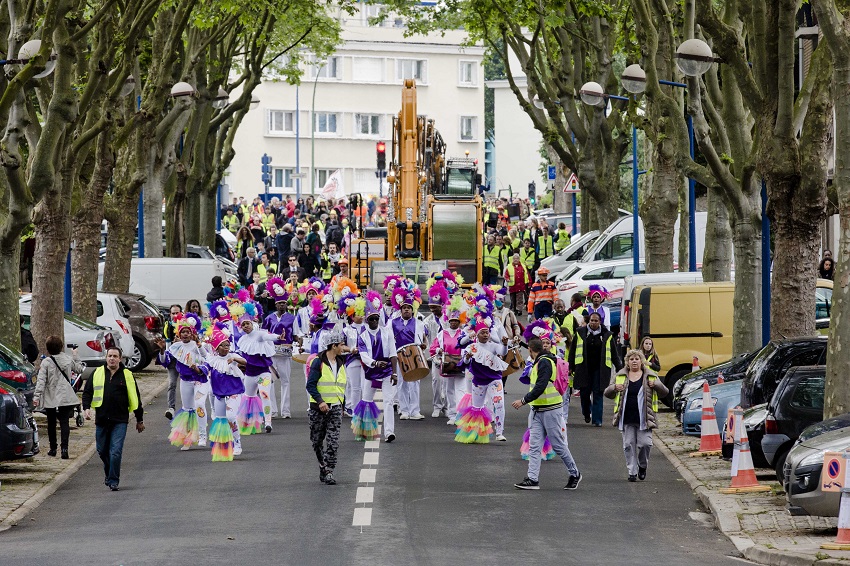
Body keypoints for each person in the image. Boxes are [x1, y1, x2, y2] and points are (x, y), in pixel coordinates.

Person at [512, 337, 582, 491]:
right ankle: (532, 479)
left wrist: (523, 401)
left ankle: (575, 473)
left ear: (530, 350)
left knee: (558, 445)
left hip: (551, 410)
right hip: (539, 409)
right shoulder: (542, 360)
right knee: (535, 446)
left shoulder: (544, 362)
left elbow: (541, 386)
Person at [82, 347, 145, 491]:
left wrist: (139, 420)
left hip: (120, 420)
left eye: (115, 356)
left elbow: (136, 398)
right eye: (110, 356)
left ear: (120, 359)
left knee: (115, 451)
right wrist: (86, 408)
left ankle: (113, 480)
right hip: (102, 419)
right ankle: (109, 473)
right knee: (102, 450)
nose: (112, 358)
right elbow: (87, 393)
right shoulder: (97, 373)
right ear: (106, 358)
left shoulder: (127, 375)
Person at [604, 349, 668, 481]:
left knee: (645, 444)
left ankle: (642, 466)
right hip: (626, 417)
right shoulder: (620, 375)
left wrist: (656, 385)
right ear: (627, 362)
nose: (634, 361)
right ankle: (632, 471)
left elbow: (664, 392)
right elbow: (607, 393)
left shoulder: (650, 375)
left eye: (637, 359)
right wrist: (614, 388)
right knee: (628, 444)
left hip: (645, 417)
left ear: (641, 361)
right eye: (631, 359)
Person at [354, 292, 399, 443]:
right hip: (370, 373)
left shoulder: (387, 332)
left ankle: (389, 432)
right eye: (371, 319)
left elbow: (393, 353)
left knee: (388, 401)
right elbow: (363, 355)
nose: (374, 321)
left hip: (386, 371)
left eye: (376, 318)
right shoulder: (362, 337)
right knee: (366, 401)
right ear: (367, 320)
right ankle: (365, 430)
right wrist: (374, 363)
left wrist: (394, 373)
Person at [306, 330, 348, 485]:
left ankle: (329, 471)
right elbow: (310, 385)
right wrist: (320, 402)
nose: (343, 347)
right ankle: (322, 466)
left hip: (335, 407)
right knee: (317, 441)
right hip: (318, 408)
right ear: (334, 345)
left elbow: (342, 386)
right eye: (341, 344)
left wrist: (342, 405)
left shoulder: (341, 362)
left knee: (333, 441)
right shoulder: (318, 362)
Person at [34, 336, 84, 459]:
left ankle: (53, 448)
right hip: (65, 395)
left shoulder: (46, 362)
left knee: (51, 423)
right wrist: (75, 355)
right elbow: (79, 369)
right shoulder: (68, 359)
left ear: (48, 348)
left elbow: (41, 381)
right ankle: (65, 449)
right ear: (61, 347)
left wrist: (36, 396)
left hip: (51, 396)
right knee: (64, 422)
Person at [569, 311, 623, 427]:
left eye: (596, 321)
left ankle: (597, 420)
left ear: (600, 322)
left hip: (600, 369)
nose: (593, 323)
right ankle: (586, 413)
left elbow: (614, 354)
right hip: (584, 368)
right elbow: (573, 351)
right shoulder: (580, 333)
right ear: (589, 321)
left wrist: (620, 368)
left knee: (598, 393)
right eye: (592, 320)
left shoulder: (607, 335)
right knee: (584, 393)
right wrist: (570, 366)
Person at [205, 329, 245, 461]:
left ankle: (237, 443)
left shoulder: (233, 356)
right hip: (219, 395)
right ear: (217, 347)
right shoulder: (212, 360)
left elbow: (246, 362)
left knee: (231, 416)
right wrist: (196, 368)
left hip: (234, 393)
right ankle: (224, 447)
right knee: (221, 420)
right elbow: (203, 368)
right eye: (223, 345)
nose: (226, 347)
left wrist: (234, 359)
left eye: (228, 344)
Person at [262, 278, 297, 419]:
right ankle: (273, 410)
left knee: (285, 381)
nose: (282, 305)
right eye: (279, 303)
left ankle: (286, 411)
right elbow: (263, 335)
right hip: (271, 354)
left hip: (285, 353)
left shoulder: (292, 318)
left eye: (284, 303)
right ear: (276, 305)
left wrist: (296, 343)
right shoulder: (269, 318)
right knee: (269, 381)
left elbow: (296, 335)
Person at [391, 289, 427, 421]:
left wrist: (424, 345)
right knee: (402, 383)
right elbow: (390, 340)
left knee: (415, 383)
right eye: (404, 308)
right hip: (400, 355)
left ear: (412, 310)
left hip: (414, 355)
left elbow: (423, 338)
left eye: (409, 308)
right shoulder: (392, 322)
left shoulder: (419, 323)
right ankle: (404, 410)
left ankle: (415, 411)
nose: (406, 310)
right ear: (401, 310)